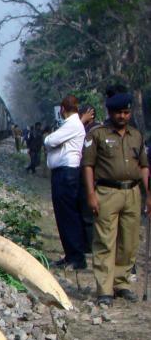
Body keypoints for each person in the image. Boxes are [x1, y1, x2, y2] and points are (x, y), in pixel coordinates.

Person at [82, 91, 149, 306]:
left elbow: (144, 166)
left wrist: (148, 195)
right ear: (110, 113)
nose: (123, 116)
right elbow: (88, 166)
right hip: (106, 193)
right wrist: (91, 194)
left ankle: (122, 283)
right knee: (105, 241)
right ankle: (105, 288)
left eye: (126, 112)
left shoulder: (136, 136)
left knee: (129, 242)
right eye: (119, 112)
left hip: (132, 193)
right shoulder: (98, 134)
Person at [43, 96, 87, 269]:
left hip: (67, 174)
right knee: (63, 216)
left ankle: (77, 257)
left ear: (62, 108)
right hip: (63, 173)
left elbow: (49, 141)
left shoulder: (72, 124)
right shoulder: (70, 124)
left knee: (68, 216)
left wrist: (50, 141)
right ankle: (70, 254)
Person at [78, 105, 99, 249]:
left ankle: (89, 245)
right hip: (87, 174)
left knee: (88, 214)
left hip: (91, 175)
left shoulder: (93, 131)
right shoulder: (90, 129)